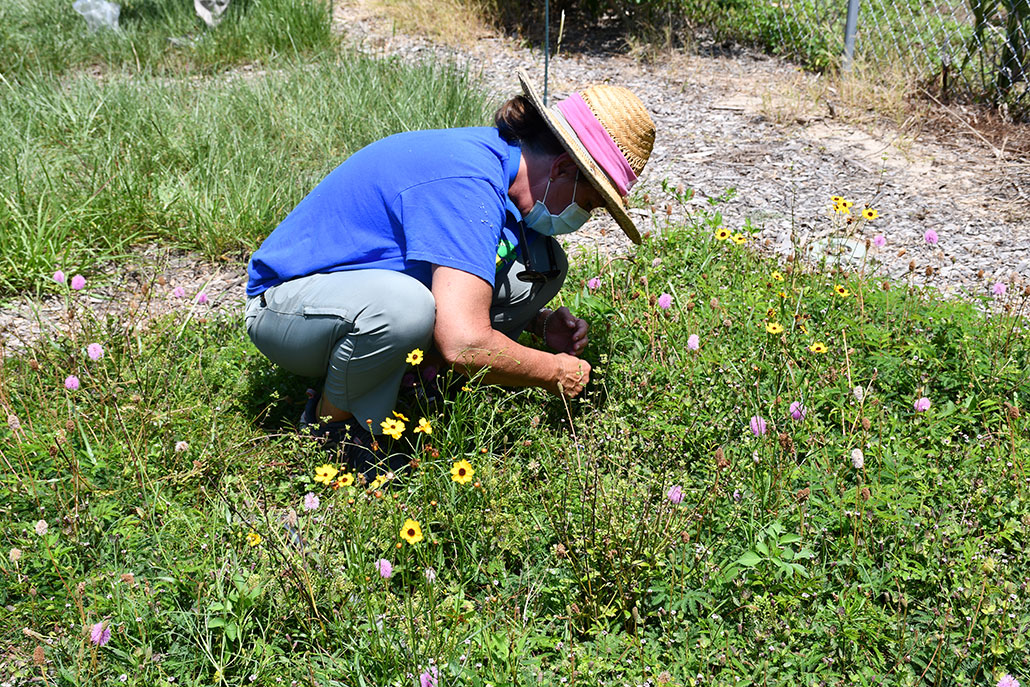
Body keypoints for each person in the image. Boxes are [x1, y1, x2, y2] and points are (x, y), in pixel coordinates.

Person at [244, 70, 655, 472]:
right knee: (404, 308)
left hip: (354, 299)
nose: (585, 215)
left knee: (542, 264)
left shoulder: (501, 174)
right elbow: (464, 344)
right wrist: (554, 372)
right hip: (286, 307)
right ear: (563, 169)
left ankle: (410, 380)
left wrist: (538, 325)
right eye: (591, 201)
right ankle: (335, 425)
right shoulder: (468, 181)